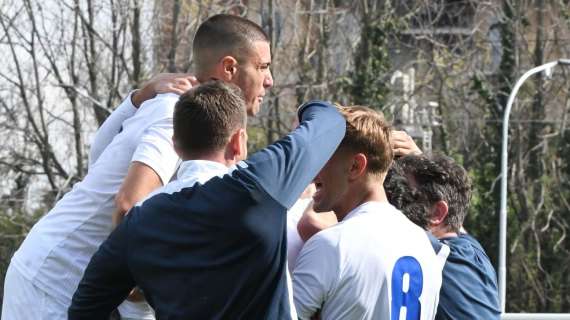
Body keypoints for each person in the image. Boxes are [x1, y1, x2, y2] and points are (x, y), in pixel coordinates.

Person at [2, 13, 273, 320]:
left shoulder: (173, 106)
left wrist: (137, 97)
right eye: (263, 66)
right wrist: (139, 296)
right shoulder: (176, 112)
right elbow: (130, 203)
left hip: (53, 279)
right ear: (229, 68)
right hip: (54, 285)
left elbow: (98, 155)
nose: (269, 79)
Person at [68, 91, 345, 319]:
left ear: (176, 146)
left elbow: (84, 309)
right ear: (238, 142)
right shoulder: (258, 186)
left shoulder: (139, 221)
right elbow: (330, 120)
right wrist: (305, 110)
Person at [292, 106, 447, 320]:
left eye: (324, 157)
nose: (312, 171)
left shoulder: (333, 245)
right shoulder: (424, 245)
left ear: (355, 166)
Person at [384, 154, 501, 320]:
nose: (396, 202)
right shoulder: (472, 249)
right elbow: (452, 215)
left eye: (407, 197)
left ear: (437, 213)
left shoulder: (441, 256)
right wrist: (422, 159)